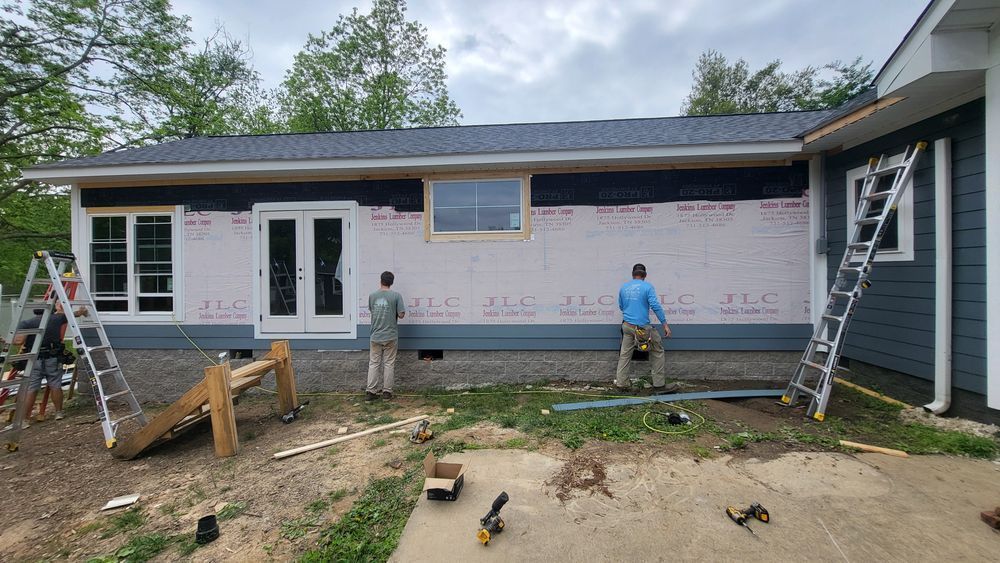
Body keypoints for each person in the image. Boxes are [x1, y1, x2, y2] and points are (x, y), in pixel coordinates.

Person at [13, 303, 86, 425]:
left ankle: (25, 420)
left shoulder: (27, 323)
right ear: (50, 311)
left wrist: (8, 340)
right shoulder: (56, 319)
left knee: (32, 388)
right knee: (55, 385)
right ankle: (58, 413)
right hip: (53, 357)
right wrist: (83, 311)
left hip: (34, 359)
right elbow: (75, 314)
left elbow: (19, 341)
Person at [615, 263, 678, 393]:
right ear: (645, 275)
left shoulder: (624, 287)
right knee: (657, 350)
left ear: (633, 274)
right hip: (642, 328)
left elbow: (621, 306)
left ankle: (621, 384)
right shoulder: (647, 287)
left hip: (627, 326)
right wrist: (665, 324)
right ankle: (659, 385)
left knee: (625, 354)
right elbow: (655, 306)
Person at [367, 271, 405, 401]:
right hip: (390, 335)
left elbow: (372, 311)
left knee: (374, 363)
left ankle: (371, 392)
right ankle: (387, 393)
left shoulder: (372, 296)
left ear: (381, 280)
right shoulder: (396, 296)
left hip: (375, 335)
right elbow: (401, 314)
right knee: (388, 364)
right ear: (391, 282)